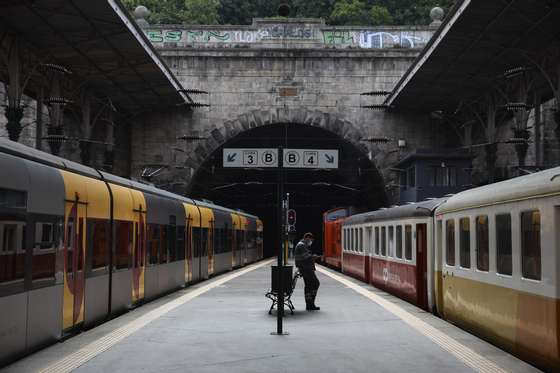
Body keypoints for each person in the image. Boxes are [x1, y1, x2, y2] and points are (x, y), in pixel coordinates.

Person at [294, 232, 320, 311]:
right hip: (306, 269)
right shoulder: (301, 245)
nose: (311, 242)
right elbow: (307, 258)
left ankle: (310, 304)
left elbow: (305, 257)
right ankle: (310, 303)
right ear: (307, 238)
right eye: (310, 240)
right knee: (315, 283)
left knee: (309, 286)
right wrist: (314, 257)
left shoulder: (301, 245)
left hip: (305, 269)